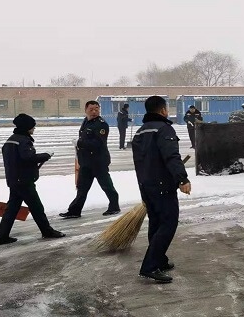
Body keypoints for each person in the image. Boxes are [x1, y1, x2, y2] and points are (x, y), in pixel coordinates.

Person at [132, 95, 191, 283]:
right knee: (168, 224)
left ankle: (159, 260)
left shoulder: (140, 131)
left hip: (146, 185)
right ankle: (149, 266)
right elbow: (171, 156)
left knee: (156, 224)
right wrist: (182, 179)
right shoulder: (164, 129)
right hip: (162, 186)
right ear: (163, 110)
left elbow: (140, 162)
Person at [0, 114, 66, 245]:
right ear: (27, 127)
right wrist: (46, 155)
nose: (34, 128)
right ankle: (47, 231)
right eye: (32, 126)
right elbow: (28, 157)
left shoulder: (10, 140)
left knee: (12, 209)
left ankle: (2, 236)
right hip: (24, 181)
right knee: (37, 207)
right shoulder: (23, 140)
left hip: (14, 180)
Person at [59, 100, 120, 219]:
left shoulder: (101, 124)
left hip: (98, 162)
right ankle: (75, 211)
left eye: (96, 109)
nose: (94, 112)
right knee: (82, 188)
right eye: (91, 109)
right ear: (85, 110)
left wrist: (80, 143)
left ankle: (114, 207)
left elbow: (98, 143)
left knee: (107, 186)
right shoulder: (86, 122)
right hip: (86, 162)